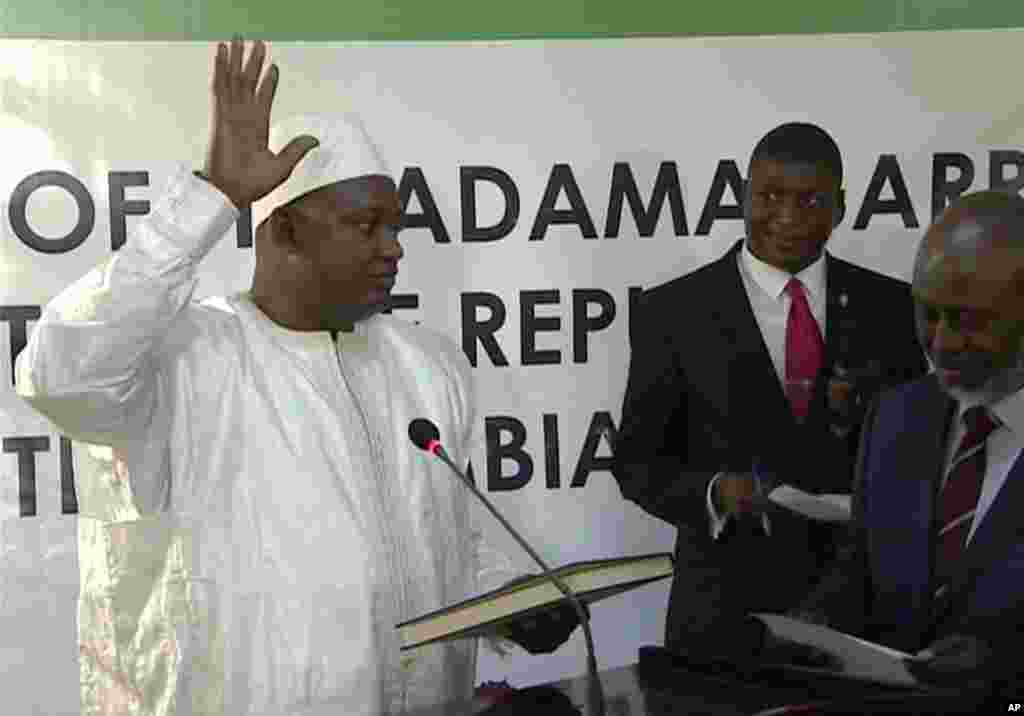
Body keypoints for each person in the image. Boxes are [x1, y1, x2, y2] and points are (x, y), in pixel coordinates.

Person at [15, 38, 578, 715]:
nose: (392, 247)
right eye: (366, 226)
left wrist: (514, 596)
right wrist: (211, 198)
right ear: (282, 233)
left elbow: (447, 535)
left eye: (395, 226)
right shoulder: (189, 360)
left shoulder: (428, 366)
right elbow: (62, 373)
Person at [611, 123, 928, 651]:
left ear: (840, 207)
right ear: (743, 195)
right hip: (721, 612)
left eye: (811, 200)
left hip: (865, 609)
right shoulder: (671, 313)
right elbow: (638, 464)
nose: (788, 216)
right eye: (770, 196)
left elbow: (920, 453)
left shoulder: (893, 308)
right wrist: (715, 494)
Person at [789, 189, 1024, 704]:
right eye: (927, 313)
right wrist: (815, 625)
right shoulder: (897, 415)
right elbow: (863, 568)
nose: (939, 342)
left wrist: (1005, 668)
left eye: (969, 320)